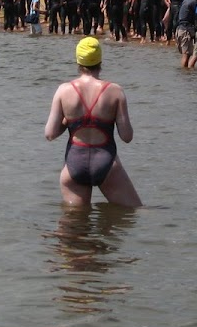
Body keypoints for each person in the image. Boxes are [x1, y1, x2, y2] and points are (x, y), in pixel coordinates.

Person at [45, 37, 142, 206]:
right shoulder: (115, 91)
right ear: (100, 60)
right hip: (106, 162)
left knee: (75, 227)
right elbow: (127, 136)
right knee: (132, 214)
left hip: (74, 163)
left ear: (78, 60)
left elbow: (50, 134)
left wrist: (69, 121)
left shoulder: (63, 91)